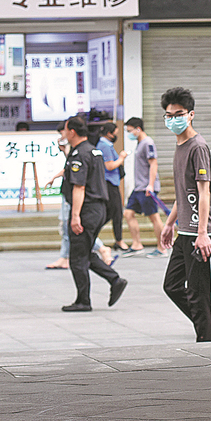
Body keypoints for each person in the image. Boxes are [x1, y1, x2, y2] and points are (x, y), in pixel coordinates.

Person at [157, 87, 211, 342]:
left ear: (191, 114)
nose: (173, 119)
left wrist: (203, 233)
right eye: (169, 115)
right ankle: (208, 322)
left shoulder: (198, 147)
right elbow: (183, 193)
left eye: (179, 114)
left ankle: (208, 336)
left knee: (198, 290)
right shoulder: (180, 146)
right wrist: (169, 224)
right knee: (172, 285)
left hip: (200, 232)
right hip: (185, 230)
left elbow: (203, 192)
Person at [58, 115, 127, 312]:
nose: (63, 133)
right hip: (98, 209)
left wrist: (75, 216)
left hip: (86, 210)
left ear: (72, 132)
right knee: (85, 253)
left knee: (77, 258)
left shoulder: (80, 154)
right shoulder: (93, 150)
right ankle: (114, 280)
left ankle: (83, 301)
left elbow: (79, 186)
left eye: (65, 130)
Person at [122, 117, 168, 255]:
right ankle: (137, 245)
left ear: (138, 129)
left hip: (146, 188)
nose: (129, 134)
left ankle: (162, 247)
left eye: (130, 131)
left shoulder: (148, 143)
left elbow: (153, 164)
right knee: (128, 213)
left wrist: (151, 185)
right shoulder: (140, 143)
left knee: (154, 217)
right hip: (138, 188)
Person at [95, 122, 127, 251]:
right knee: (116, 212)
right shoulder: (105, 146)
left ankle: (92, 234)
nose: (116, 136)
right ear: (109, 133)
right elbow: (109, 166)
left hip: (111, 182)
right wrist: (122, 158)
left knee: (110, 213)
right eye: (115, 133)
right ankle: (119, 240)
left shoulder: (104, 144)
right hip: (109, 183)